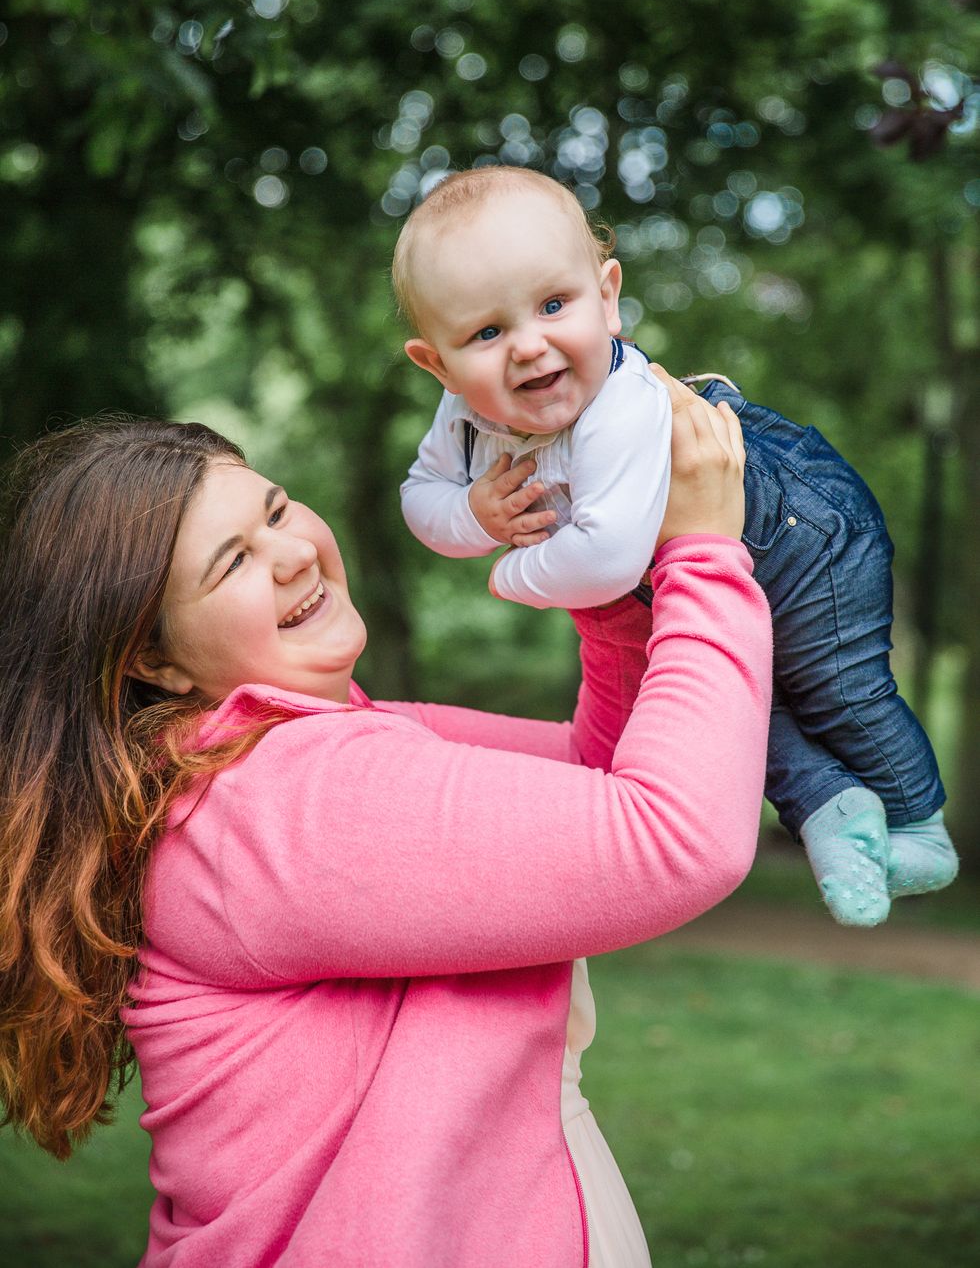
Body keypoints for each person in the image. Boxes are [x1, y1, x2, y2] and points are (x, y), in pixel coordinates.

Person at [0, 403, 770, 1267]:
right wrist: (702, 552)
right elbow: (676, 837)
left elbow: (596, 770)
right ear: (155, 660)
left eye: (278, 509)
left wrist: (600, 583)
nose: (294, 553)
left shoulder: (303, 752)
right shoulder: (281, 802)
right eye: (233, 562)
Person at [395, 166, 958, 929]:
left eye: (554, 305)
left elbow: (603, 562)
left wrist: (512, 573)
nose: (529, 346)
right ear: (437, 363)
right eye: (487, 333)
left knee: (834, 688)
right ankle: (836, 808)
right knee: (739, 704)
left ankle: (919, 823)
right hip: (685, 568)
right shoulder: (460, 417)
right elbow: (419, 498)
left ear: (608, 297)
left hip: (803, 532)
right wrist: (473, 512)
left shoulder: (618, 409)